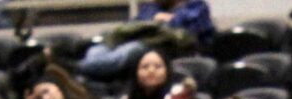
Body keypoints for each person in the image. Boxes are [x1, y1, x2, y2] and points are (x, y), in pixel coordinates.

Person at [76, 0, 213, 78]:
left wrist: (166, 21)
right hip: (131, 43)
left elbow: (189, 35)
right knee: (98, 48)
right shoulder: (150, 8)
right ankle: (80, 66)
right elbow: (132, 26)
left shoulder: (196, 7)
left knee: (131, 50)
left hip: (162, 49)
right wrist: (156, 21)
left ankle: (74, 68)